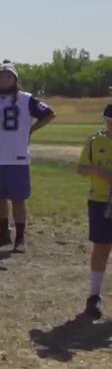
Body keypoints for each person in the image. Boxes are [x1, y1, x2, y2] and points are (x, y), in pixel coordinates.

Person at [0, 61, 55, 253]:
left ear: (15, 79)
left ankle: (20, 237)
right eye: (2, 76)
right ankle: (4, 233)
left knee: (18, 198)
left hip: (16, 156)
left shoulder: (26, 99)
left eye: (9, 76)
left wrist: (30, 130)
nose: (5, 79)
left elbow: (49, 114)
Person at [76, 104, 112, 319]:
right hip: (100, 201)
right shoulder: (95, 142)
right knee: (101, 247)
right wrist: (99, 172)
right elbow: (81, 168)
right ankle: (94, 295)